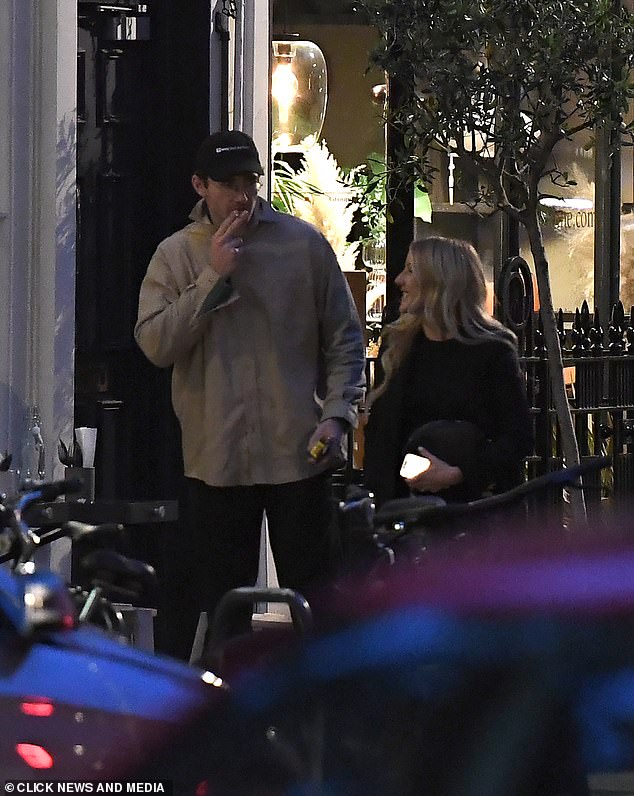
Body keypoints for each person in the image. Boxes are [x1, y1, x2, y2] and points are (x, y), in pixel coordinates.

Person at [134, 130, 365, 658]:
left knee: (319, 605)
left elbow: (344, 339)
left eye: (249, 182)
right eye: (228, 184)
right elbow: (154, 344)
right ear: (200, 185)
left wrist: (337, 415)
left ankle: (324, 713)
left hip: (297, 454)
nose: (242, 195)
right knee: (225, 612)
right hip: (218, 460)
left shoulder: (301, 246)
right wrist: (212, 278)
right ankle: (230, 718)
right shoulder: (176, 255)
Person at [363, 236, 533, 508]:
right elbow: (381, 439)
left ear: (439, 281)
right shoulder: (397, 345)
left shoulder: (492, 351)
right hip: (404, 516)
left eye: (410, 270)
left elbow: (518, 437)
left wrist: (457, 474)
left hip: (474, 517)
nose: (398, 280)